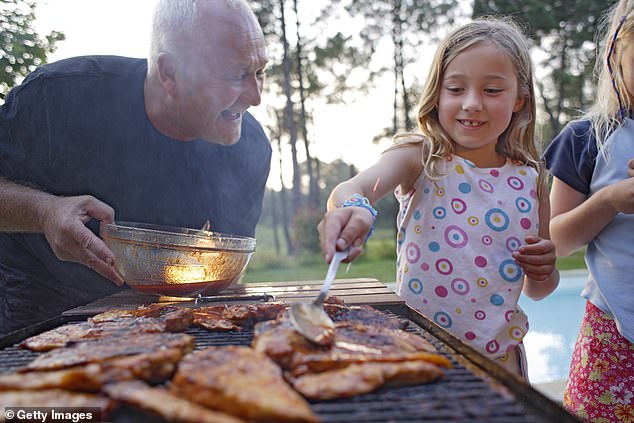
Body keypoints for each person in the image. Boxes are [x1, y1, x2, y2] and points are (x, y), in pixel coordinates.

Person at [0, 0, 271, 336]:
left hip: (155, 311)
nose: (256, 96)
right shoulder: (56, 96)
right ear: (170, 73)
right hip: (36, 296)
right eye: (236, 75)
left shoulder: (251, 147)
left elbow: (224, 267)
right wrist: (44, 212)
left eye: (260, 72)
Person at [318, 18, 559, 379]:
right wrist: (356, 208)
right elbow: (350, 189)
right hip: (421, 355)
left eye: (492, 90)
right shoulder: (421, 158)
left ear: (519, 100)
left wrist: (546, 269)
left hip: (502, 364)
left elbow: (540, 290)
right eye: (456, 88)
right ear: (437, 94)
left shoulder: (533, 180)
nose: (472, 103)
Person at [543, 0, 634, 420]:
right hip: (612, 332)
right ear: (617, 55)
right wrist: (609, 200)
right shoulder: (587, 138)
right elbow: (557, 240)